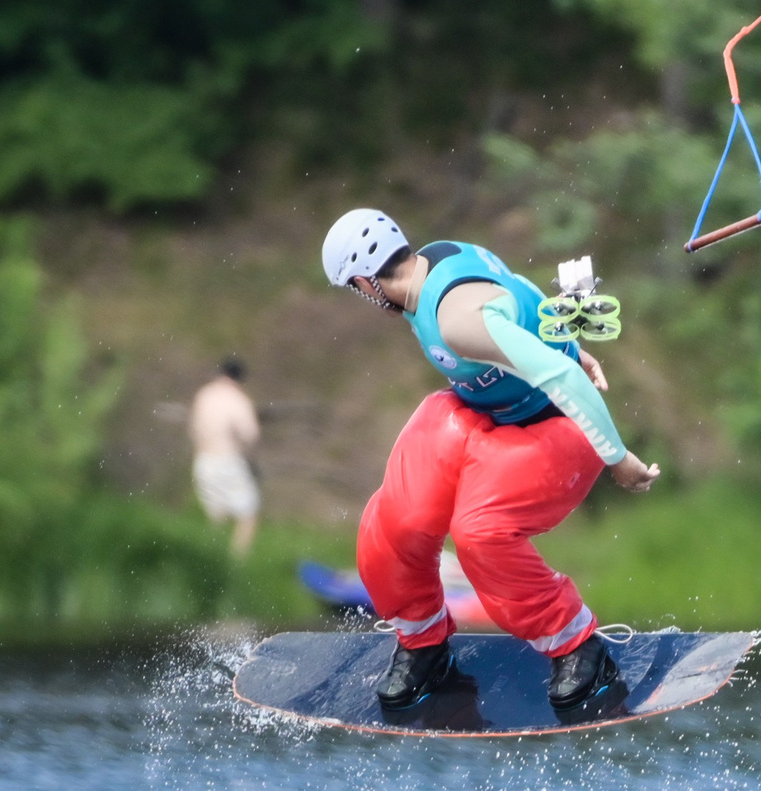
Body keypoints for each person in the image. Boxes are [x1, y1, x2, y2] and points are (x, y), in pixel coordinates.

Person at [321, 207, 660, 713]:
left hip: (560, 427)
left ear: (366, 280)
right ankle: (424, 646)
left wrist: (619, 457)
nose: (364, 299)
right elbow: (517, 289)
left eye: (355, 289)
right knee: (392, 522)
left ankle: (578, 647)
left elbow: (562, 380)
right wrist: (568, 343)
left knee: (479, 532)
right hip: (490, 419)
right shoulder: (432, 261)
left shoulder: (456, 322)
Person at [189, 356, 261, 557]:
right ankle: (235, 564)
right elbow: (251, 435)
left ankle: (211, 562)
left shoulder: (204, 395)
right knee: (248, 515)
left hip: (203, 461)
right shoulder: (238, 400)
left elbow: (194, 429)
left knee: (216, 518)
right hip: (227, 461)